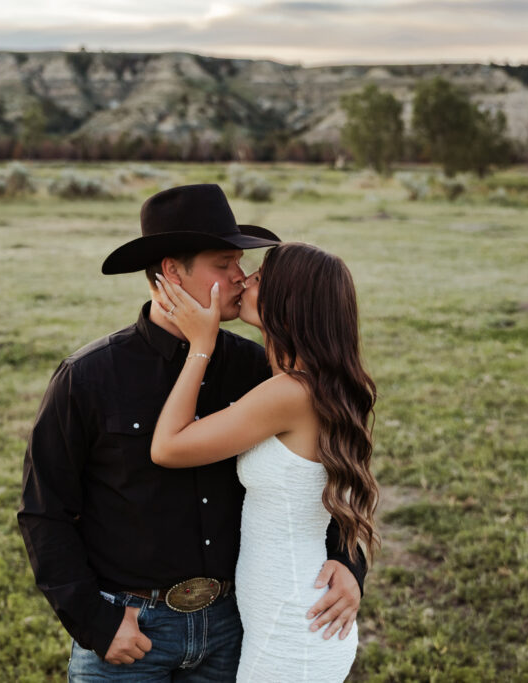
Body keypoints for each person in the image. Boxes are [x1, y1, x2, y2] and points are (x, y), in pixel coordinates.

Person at [18, 184, 367, 681]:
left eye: (241, 263)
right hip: (131, 627)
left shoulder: (259, 370)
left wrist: (349, 564)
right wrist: (94, 621)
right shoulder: (89, 377)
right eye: (224, 264)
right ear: (172, 272)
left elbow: (324, 473)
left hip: (234, 627)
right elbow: (44, 509)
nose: (241, 276)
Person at [150, 241, 379, 682]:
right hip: (289, 616)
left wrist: (201, 345)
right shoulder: (314, 384)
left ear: (288, 308)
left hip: (291, 628)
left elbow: (168, 447)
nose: (243, 280)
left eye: (258, 279)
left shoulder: (290, 393)